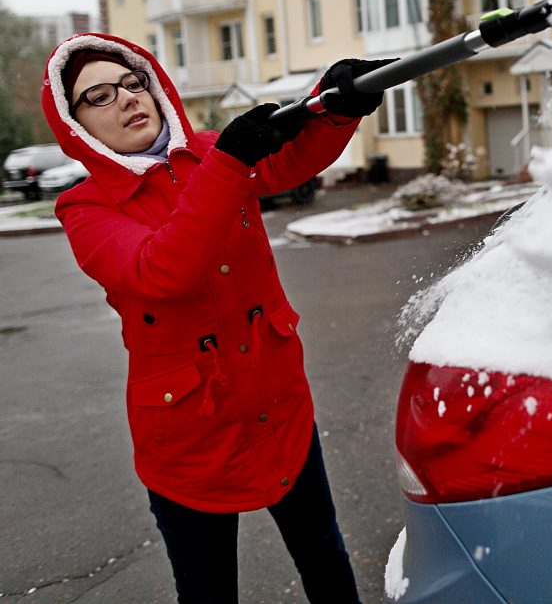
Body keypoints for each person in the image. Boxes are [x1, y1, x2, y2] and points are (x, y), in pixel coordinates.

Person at [41, 32, 393, 603]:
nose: (127, 99)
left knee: (324, 557)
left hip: (278, 405)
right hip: (187, 437)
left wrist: (335, 109)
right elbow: (162, 271)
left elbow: (289, 159)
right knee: (208, 591)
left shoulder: (208, 152)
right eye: (99, 96)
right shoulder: (85, 209)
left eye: (133, 84)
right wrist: (228, 162)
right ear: (75, 124)